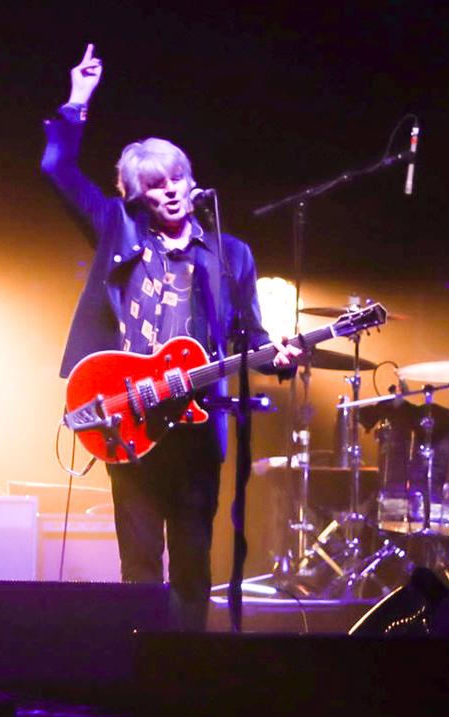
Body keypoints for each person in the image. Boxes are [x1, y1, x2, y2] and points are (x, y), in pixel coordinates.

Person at [42, 44, 299, 630]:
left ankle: (185, 668)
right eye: (157, 186)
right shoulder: (115, 228)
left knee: (191, 560)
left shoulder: (229, 253)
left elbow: (250, 335)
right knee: (139, 561)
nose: (173, 191)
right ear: (139, 196)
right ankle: (140, 671)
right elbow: (57, 171)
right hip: (126, 416)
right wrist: (77, 102)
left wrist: (278, 356)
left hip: (196, 425)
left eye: (179, 178)